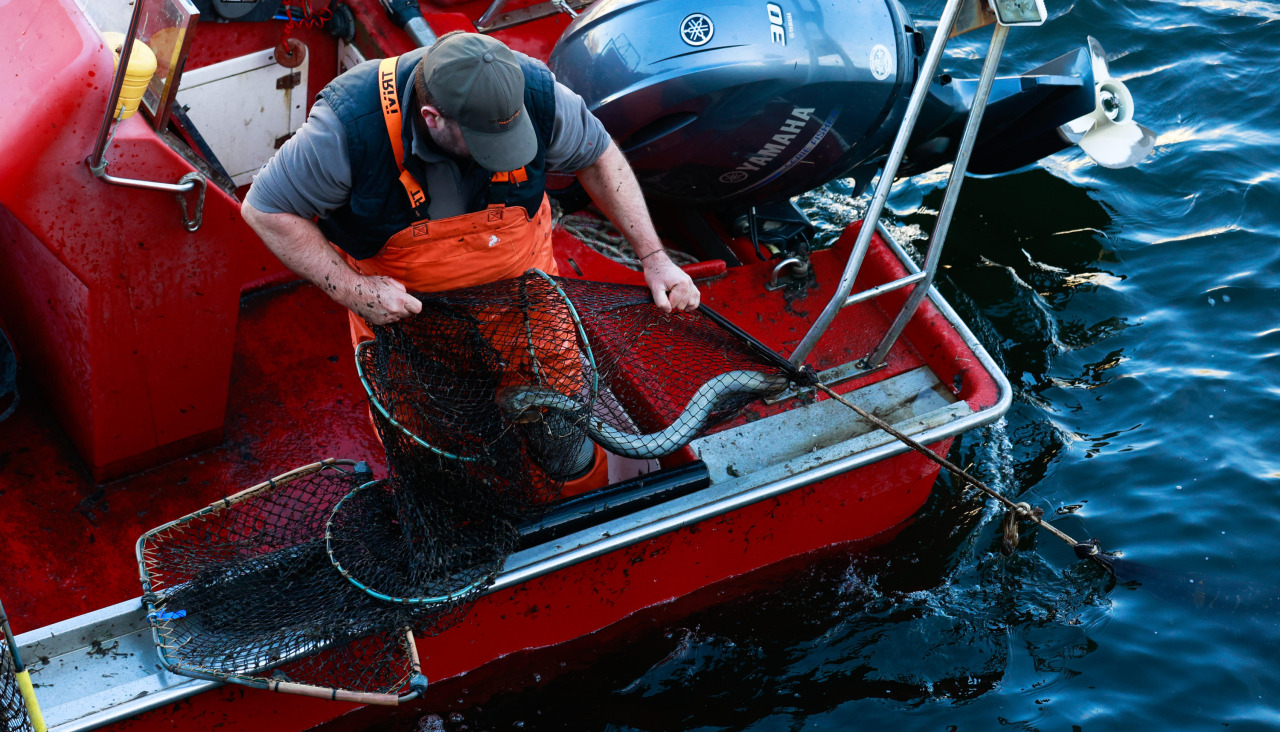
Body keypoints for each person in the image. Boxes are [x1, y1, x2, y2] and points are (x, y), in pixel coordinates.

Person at [241, 30, 700, 346]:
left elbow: (598, 157)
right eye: (487, 143)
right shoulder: (346, 128)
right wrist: (352, 290)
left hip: (526, 296)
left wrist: (654, 258)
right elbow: (265, 210)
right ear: (432, 119)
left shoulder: (536, 93)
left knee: (560, 411)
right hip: (408, 317)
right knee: (421, 429)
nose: (503, 153)